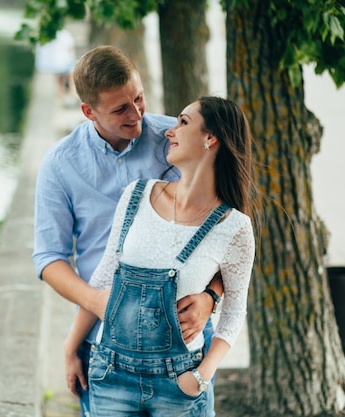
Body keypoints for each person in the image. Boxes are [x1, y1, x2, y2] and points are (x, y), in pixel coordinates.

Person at [32, 45, 223, 416]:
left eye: (139, 98)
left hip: (183, 345)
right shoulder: (59, 164)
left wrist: (210, 298)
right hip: (103, 346)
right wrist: (89, 316)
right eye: (120, 109)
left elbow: (225, 233)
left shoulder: (179, 140)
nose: (136, 114)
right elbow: (49, 257)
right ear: (88, 111)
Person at [63, 96, 256, 416]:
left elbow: (234, 313)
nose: (170, 131)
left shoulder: (233, 227)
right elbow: (102, 278)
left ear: (210, 138)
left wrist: (201, 376)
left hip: (179, 386)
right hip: (111, 377)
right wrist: (71, 348)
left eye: (183, 122)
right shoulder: (136, 195)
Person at [35, 28, 77, 100]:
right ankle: (72, 90)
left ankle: (61, 91)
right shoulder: (63, 33)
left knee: (60, 71)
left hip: (49, 64)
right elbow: (71, 45)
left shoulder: (43, 35)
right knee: (72, 68)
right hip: (61, 63)